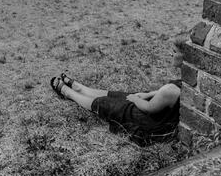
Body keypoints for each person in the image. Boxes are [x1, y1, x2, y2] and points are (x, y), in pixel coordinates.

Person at [50, 35, 186, 146]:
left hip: (151, 122)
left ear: (186, 58)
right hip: (158, 112)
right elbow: (164, 93)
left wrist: (136, 99)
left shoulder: (171, 91)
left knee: (107, 104)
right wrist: (147, 94)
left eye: (174, 52)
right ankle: (80, 88)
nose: (170, 54)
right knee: (119, 95)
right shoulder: (187, 79)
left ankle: (68, 92)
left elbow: (149, 108)